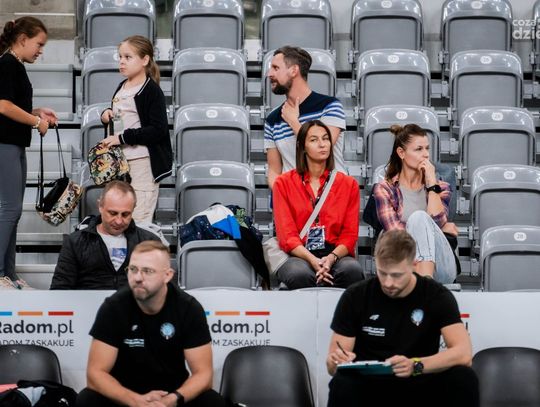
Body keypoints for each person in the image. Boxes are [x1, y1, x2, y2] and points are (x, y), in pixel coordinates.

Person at [326, 230, 478, 407]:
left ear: (414, 265)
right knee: (342, 382)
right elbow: (332, 366)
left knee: (463, 377)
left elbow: (463, 353)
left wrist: (416, 365)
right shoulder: (356, 296)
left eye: (397, 275)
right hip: (370, 385)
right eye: (383, 273)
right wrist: (336, 361)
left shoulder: (436, 295)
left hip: (419, 380)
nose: (388, 283)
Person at [77, 240, 229, 407]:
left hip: (172, 394)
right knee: (87, 399)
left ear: (168, 275)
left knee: (212, 402)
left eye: (147, 271)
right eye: (133, 269)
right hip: (124, 396)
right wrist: (136, 401)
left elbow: (204, 375)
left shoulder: (188, 308)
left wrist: (172, 400)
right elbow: (95, 374)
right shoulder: (114, 307)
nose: (137, 278)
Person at [0, 17, 58, 290]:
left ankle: (9, 274)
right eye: (39, 44)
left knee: (13, 212)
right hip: (4, 144)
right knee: (9, 209)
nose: (40, 51)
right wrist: (36, 122)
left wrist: (37, 112)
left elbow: (14, 105)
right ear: (23, 39)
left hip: (14, 144)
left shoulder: (16, 65)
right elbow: (3, 105)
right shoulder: (6, 64)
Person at [272, 120, 363, 289]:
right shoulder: (283, 183)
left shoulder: (348, 184)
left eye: (325, 138)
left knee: (351, 270)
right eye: (314, 140)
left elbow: (350, 235)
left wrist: (331, 258)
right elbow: (287, 236)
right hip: (298, 253)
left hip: (335, 253)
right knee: (299, 274)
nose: (322, 144)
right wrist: (313, 260)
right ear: (302, 147)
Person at [100, 35, 172, 224]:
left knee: (139, 220)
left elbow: (158, 130)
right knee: (120, 220)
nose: (122, 62)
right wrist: (106, 114)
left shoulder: (151, 91)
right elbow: (124, 118)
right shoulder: (122, 86)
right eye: (120, 57)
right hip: (120, 163)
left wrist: (122, 138)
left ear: (145, 60)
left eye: (128, 57)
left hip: (142, 163)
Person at [372, 124, 457, 283]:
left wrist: (431, 184)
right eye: (418, 149)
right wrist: (439, 228)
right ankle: (425, 282)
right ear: (401, 153)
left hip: (441, 265)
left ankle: (423, 282)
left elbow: (437, 221)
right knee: (419, 218)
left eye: (427, 148)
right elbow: (395, 234)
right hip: (402, 262)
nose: (426, 154)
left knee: (420, 217)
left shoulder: (441, 187)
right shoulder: (385, 189)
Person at [50, 181, 160, 290]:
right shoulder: (75, 242)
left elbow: (160, 286)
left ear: (133, 209)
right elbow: (60, 289)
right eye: (113, 213)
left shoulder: (149, 242)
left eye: (125, 214)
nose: (118, 221)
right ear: (100, 206)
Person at [265, 46, 347, 190]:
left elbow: (321, 148)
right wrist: (284, 196)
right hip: (293, 198)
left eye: (276, 68)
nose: (269, 74)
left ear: (294, 70)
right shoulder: (272, 120)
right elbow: (274, 171)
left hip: (332, 195)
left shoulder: (330, 106)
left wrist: (293, 122)